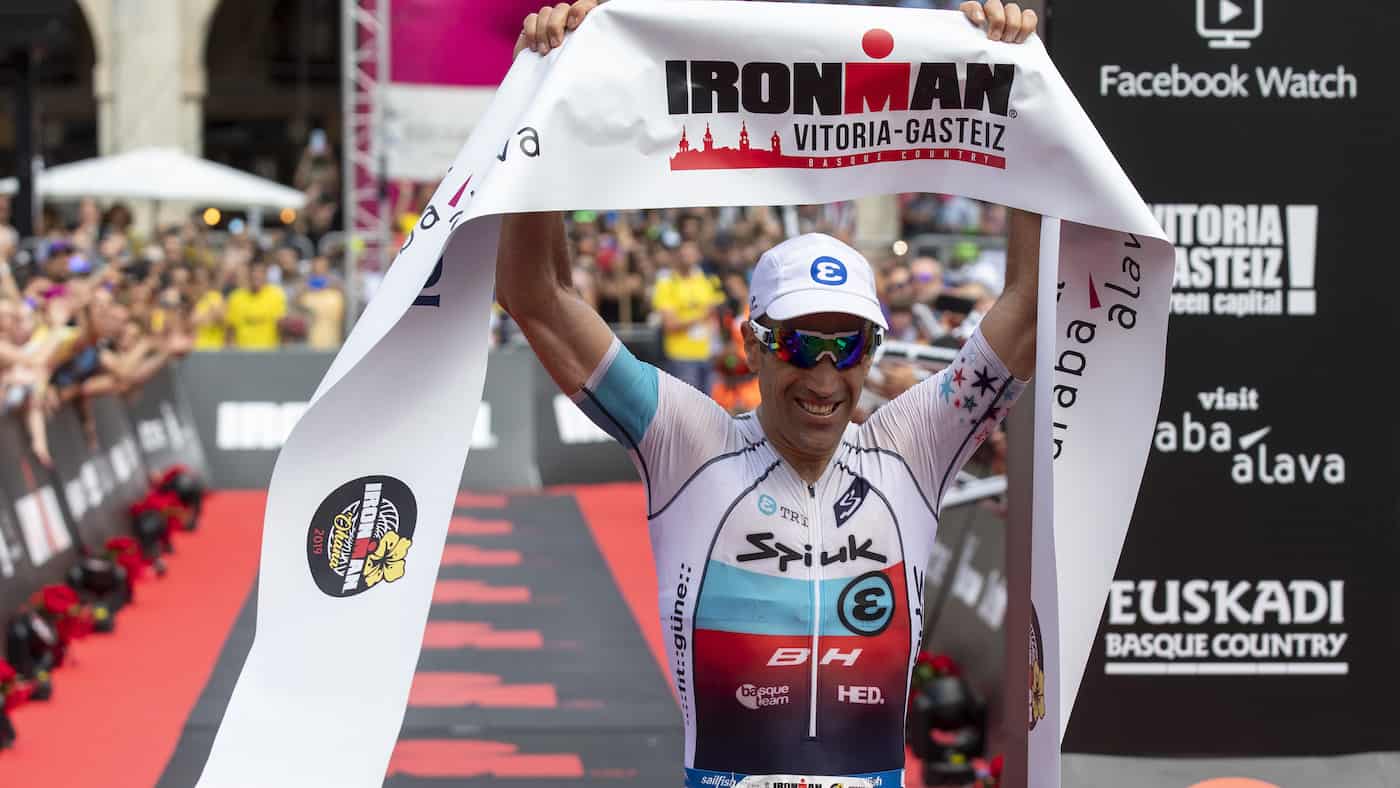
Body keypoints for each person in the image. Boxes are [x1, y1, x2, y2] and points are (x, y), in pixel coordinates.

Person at [501, 1, 1038, 785]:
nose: (824, 376)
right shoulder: (689, 441)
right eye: (799, 344)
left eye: (847, 345)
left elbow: (1025, 306)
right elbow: (537, 295)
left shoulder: (911, 447)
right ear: (753, 344)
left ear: (872, 351)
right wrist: (544, 97)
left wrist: (1021, 92)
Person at [225, 261, 287, 350]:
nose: (256, 275)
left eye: (260, 272)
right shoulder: (236, 297)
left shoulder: (276, 295)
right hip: (242, 354)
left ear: (265, 275)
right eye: (253, 272)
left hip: (269, 353)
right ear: (248, 275)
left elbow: (281, 327)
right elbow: (231, 329)